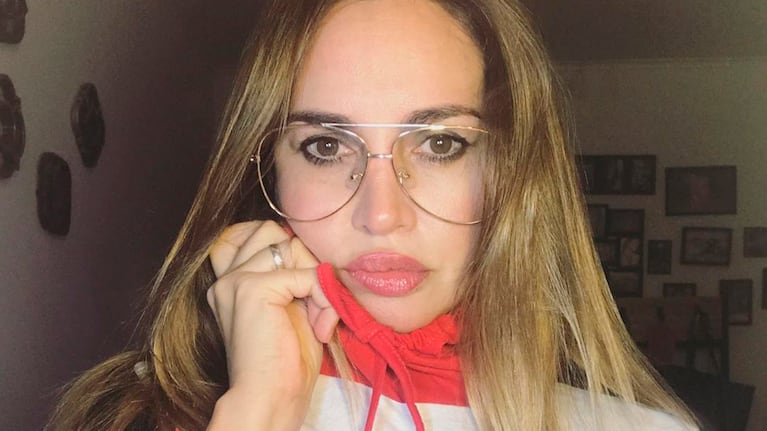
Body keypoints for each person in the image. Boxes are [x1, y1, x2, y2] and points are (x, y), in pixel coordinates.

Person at [46, 1, 698, 430]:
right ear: (268, 171)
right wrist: (259, 412)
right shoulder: (135, 414)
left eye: (440, 143)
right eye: (325, 147)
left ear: (510, 170)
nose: (381, 215)